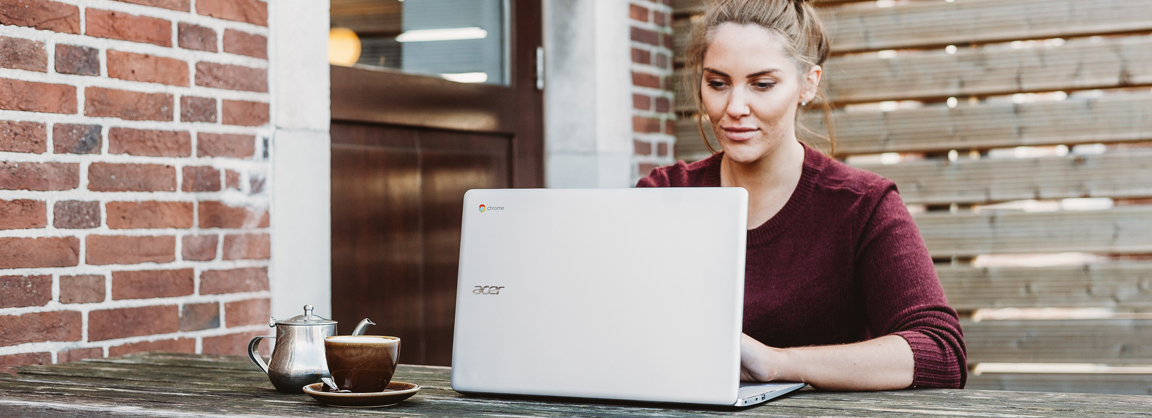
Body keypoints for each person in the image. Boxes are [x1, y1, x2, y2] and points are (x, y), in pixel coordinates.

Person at [636, 0, 966, 390]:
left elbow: (941, 352)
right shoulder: (665, 195)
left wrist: (778, 363)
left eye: (762, 84)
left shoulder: (863, 205)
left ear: (808, 84)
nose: (735, 108)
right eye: (718, 83)